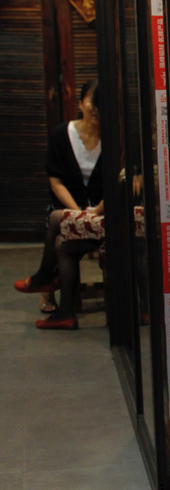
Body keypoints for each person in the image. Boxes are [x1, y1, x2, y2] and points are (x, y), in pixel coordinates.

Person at [14, 79, 104, 330]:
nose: (95, 109)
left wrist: (91, 212)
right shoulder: (61, 134)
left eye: (100, 104)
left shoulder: (115, 137)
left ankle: (48, 282)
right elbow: (56, 183)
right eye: (91, 102)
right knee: (59, 221)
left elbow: (121, 182)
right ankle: (57, 299)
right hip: (70, 206)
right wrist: (76, 213)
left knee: (59, 232)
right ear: (80, 103)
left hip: (102, 213)